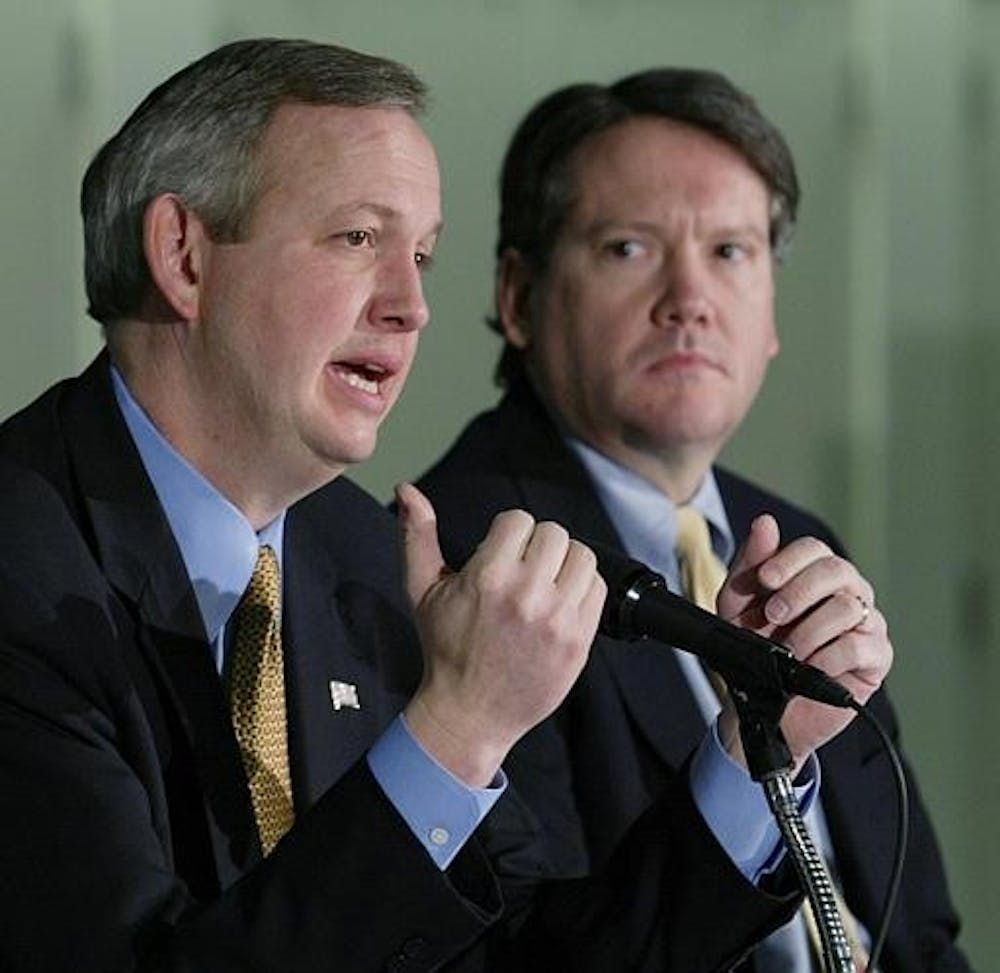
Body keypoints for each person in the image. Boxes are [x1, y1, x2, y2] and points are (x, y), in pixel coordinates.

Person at [0, 39, 888, 973]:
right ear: (183, 255)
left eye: (421, 254)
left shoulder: (362, 547)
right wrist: (455, 730)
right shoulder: (22, 569)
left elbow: (528, 962)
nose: (411, 304)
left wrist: (758, 751)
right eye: (357, 239)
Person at [415, 68, 971, 971]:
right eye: (630, 249)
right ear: (518, 297)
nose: (689, 299)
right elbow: (539, 952)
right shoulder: (467, 556)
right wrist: (755, 757)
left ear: (771, 314)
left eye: (731, 251)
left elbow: (919, 932)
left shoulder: (797, 541)